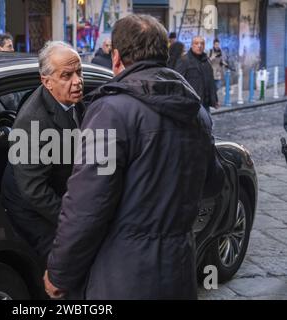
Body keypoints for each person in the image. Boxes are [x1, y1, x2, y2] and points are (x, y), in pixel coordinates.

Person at [44, 14, 223, 300]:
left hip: (124, 274)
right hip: (179, 267)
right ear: (164, 55)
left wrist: (59, 272)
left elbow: (87, 204)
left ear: (116, 58)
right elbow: (213, 182)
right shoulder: (196, 111)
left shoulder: (111, 111)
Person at [1, 41, 84, 261]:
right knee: (64, 259)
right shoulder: (32, 122)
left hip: (52, 189)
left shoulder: (74, 100)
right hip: (30, 208)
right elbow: (34, 192)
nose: (77, 82)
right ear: (46, 82)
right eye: (67, 76)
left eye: (79, 72)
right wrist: (72, 218)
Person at [175, 36, 218, 112]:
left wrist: (214, 99)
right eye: (196, 43)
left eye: (202, 43)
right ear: (192, 45)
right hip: (190, 105)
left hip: (205, 104)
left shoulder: (206, 62)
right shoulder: (184, 60)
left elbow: (211, 81)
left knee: (206, 123)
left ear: (204, 46)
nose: (199, 46)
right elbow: (177, 82)